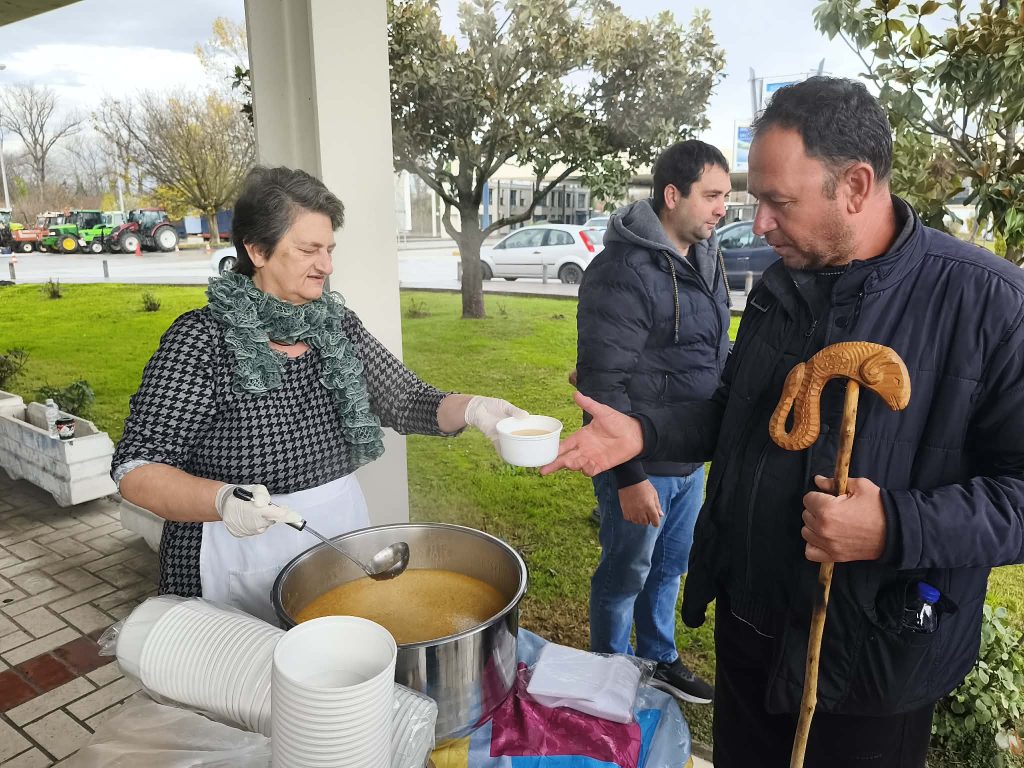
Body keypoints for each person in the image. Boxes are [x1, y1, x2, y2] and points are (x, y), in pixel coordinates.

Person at [541, 77, 1024, 767]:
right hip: (748, 641)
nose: (758, 225)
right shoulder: (782, 287)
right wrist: (643, 433)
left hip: (865, 666)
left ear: (855, 187)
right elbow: (735, 413)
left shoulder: (990, 306)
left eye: (778, 202)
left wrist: (895, 526)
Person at [113, 166, 526, 625]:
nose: (327, 266)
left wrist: (474, 409)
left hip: (336, 540)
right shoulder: (202, 340)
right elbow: (137, 468)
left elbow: (407, 400)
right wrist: (223, 500)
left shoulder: (336, 327)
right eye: (309, 250)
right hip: (232, 551)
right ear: (256, 250)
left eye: (329, 249)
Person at [575, 140, 729, 704]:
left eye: (725, 198)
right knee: (624, 575)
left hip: (690, 456)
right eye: (711, 196)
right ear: (672, 195)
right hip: (640, 461)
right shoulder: (621, 272)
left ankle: (658, 657)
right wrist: (630, 476)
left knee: (670, 567)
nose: (721, 209)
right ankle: (608, 676)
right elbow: (599, 388)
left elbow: (713, 356)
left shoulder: (705, 260)